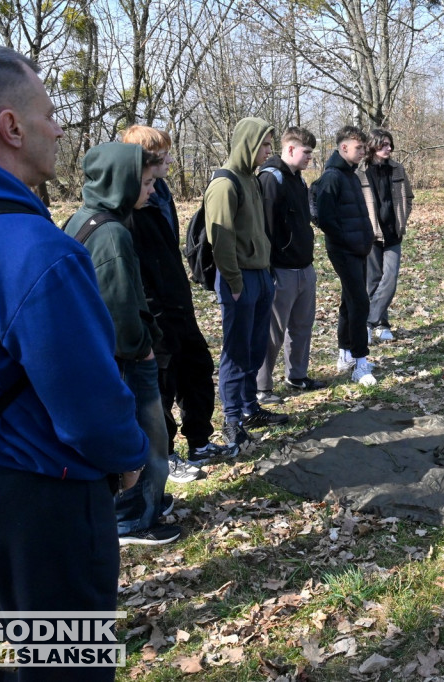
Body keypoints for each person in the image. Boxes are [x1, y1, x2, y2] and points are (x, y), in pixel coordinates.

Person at [0, 43, 148, 681]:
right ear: (10, 126)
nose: (59, 126)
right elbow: (88, 402)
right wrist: (129, 459)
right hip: (42, 499)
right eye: (48, 112)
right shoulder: (31, 250)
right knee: (68, 667)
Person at [63, 142, 181, 545]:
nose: (152, 190)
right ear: (123, 182)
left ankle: (143, 504)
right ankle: (135, 518)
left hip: (100, 354)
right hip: (126, 357)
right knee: (148, 437)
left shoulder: (85, 219)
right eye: (146, 183)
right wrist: (142, 348)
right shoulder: (112, 234)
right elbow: (120, 307)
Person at [120, 125, 236, 477]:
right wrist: (151, 310)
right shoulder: (131, 206)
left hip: (179, 302)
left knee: (197, 369)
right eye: (162, 155)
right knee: (161, 385)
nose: (170, 159)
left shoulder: (161, 193)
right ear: (143, 159)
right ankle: (166, 455)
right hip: (155, 310)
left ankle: (199, 441)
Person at [205, 117, 289, 450]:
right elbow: (220, 238)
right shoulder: (225, 184)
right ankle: (232, 421)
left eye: (270, 145)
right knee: (236, 353)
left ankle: (250, 407)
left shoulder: (251, 179)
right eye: (265, 145)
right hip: (238, 279)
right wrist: (234, 282)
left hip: (261, 274)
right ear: (249, 144)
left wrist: (266, 271)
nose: (269, 152)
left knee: (255, 348)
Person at [255, 126, 327, 405]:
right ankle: (261, 388)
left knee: (302, 326)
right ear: (290, 149)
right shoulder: (271, 179)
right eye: (307, 152)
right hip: (280, 271)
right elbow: (264, 228)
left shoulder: (298, 179)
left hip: (304, 268)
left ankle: (297, 376)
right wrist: (269, 269)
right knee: (272, 332)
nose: (310, 158)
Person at [315, 125, 377, 385]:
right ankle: (360, 364)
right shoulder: (332, 177)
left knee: (349, 302)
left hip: (358, 249)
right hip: (344, 251)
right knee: (360, 303)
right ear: (343, 147)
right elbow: (325, 218)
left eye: (363, 147)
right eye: (358, 147)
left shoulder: (351, 175)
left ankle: (346, 355)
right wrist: (348, 243)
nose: (363, 151)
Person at [357, 128, 414, 343]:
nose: (389, 148)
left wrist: (403, 217)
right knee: (373, 281)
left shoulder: (398, 169)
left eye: (390, 145)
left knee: (390, 279)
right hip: (370, 235)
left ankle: (368, 323)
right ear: (373, 146)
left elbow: (408, 196)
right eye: (384, 145)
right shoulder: (360, 171)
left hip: (393, 234)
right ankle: (381, 324)